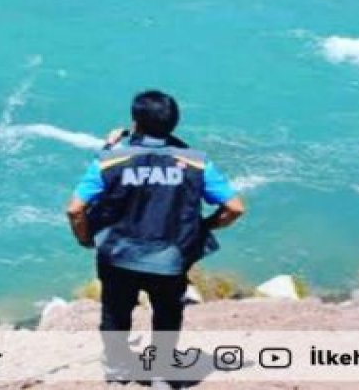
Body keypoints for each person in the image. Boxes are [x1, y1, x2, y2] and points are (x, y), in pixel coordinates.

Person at [66, 90, 245, 383]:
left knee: (115, 314)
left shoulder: (110, 161)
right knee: (167, 315)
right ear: (173, 123)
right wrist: (205, 227)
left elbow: (75, 210)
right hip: (171, 258)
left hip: (118, 255)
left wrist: (85, 238)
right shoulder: (197, 164)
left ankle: (117, 373)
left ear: (135, 123)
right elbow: (235, 208)